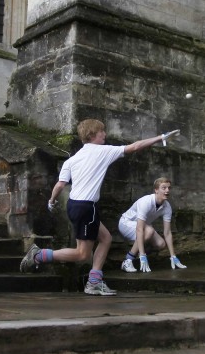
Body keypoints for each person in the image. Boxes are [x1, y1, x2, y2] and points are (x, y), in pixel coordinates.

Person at [19, 119, 178, 296]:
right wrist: (160, 137)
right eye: (102, 131)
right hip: (87, 208)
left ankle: (94, 281)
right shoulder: (103, 151)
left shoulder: (72, 159)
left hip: (73, 206)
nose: (105, 134)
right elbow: (134, 147)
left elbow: (59, 185)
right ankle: (39, 255)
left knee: (106, 238)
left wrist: (51, 201)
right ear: (92, 134)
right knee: (82, 254)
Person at [118, 177, 187, 272]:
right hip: (125, 224)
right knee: (149, 231)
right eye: (164, 188)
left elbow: (167, 233)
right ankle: (128, 260)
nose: (167, 190)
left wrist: (173, 256)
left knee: (161, 244)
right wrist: (142, 254)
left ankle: (140, 252)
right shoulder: (146, 202)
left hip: (143, 229)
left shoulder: (167, 207)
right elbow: (139, 228)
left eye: (169, 188)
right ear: (156, 190)